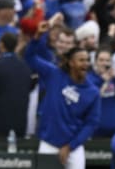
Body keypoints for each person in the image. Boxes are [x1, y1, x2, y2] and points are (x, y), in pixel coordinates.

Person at [24, 23, 101, 169]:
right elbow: (30, 58)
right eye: (81, 60)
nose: (85, 64)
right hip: (49, 143)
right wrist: (38, 37)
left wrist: (71, 146)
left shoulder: (93, 92)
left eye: (87, 60)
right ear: (71, 63)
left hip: (74, 147)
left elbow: (91, 123)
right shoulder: (54, 74)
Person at [0, 33, 32, 137]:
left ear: (2, 45)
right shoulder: (25, 66)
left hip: (0, 122)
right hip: (20, 121)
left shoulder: (0, 65)